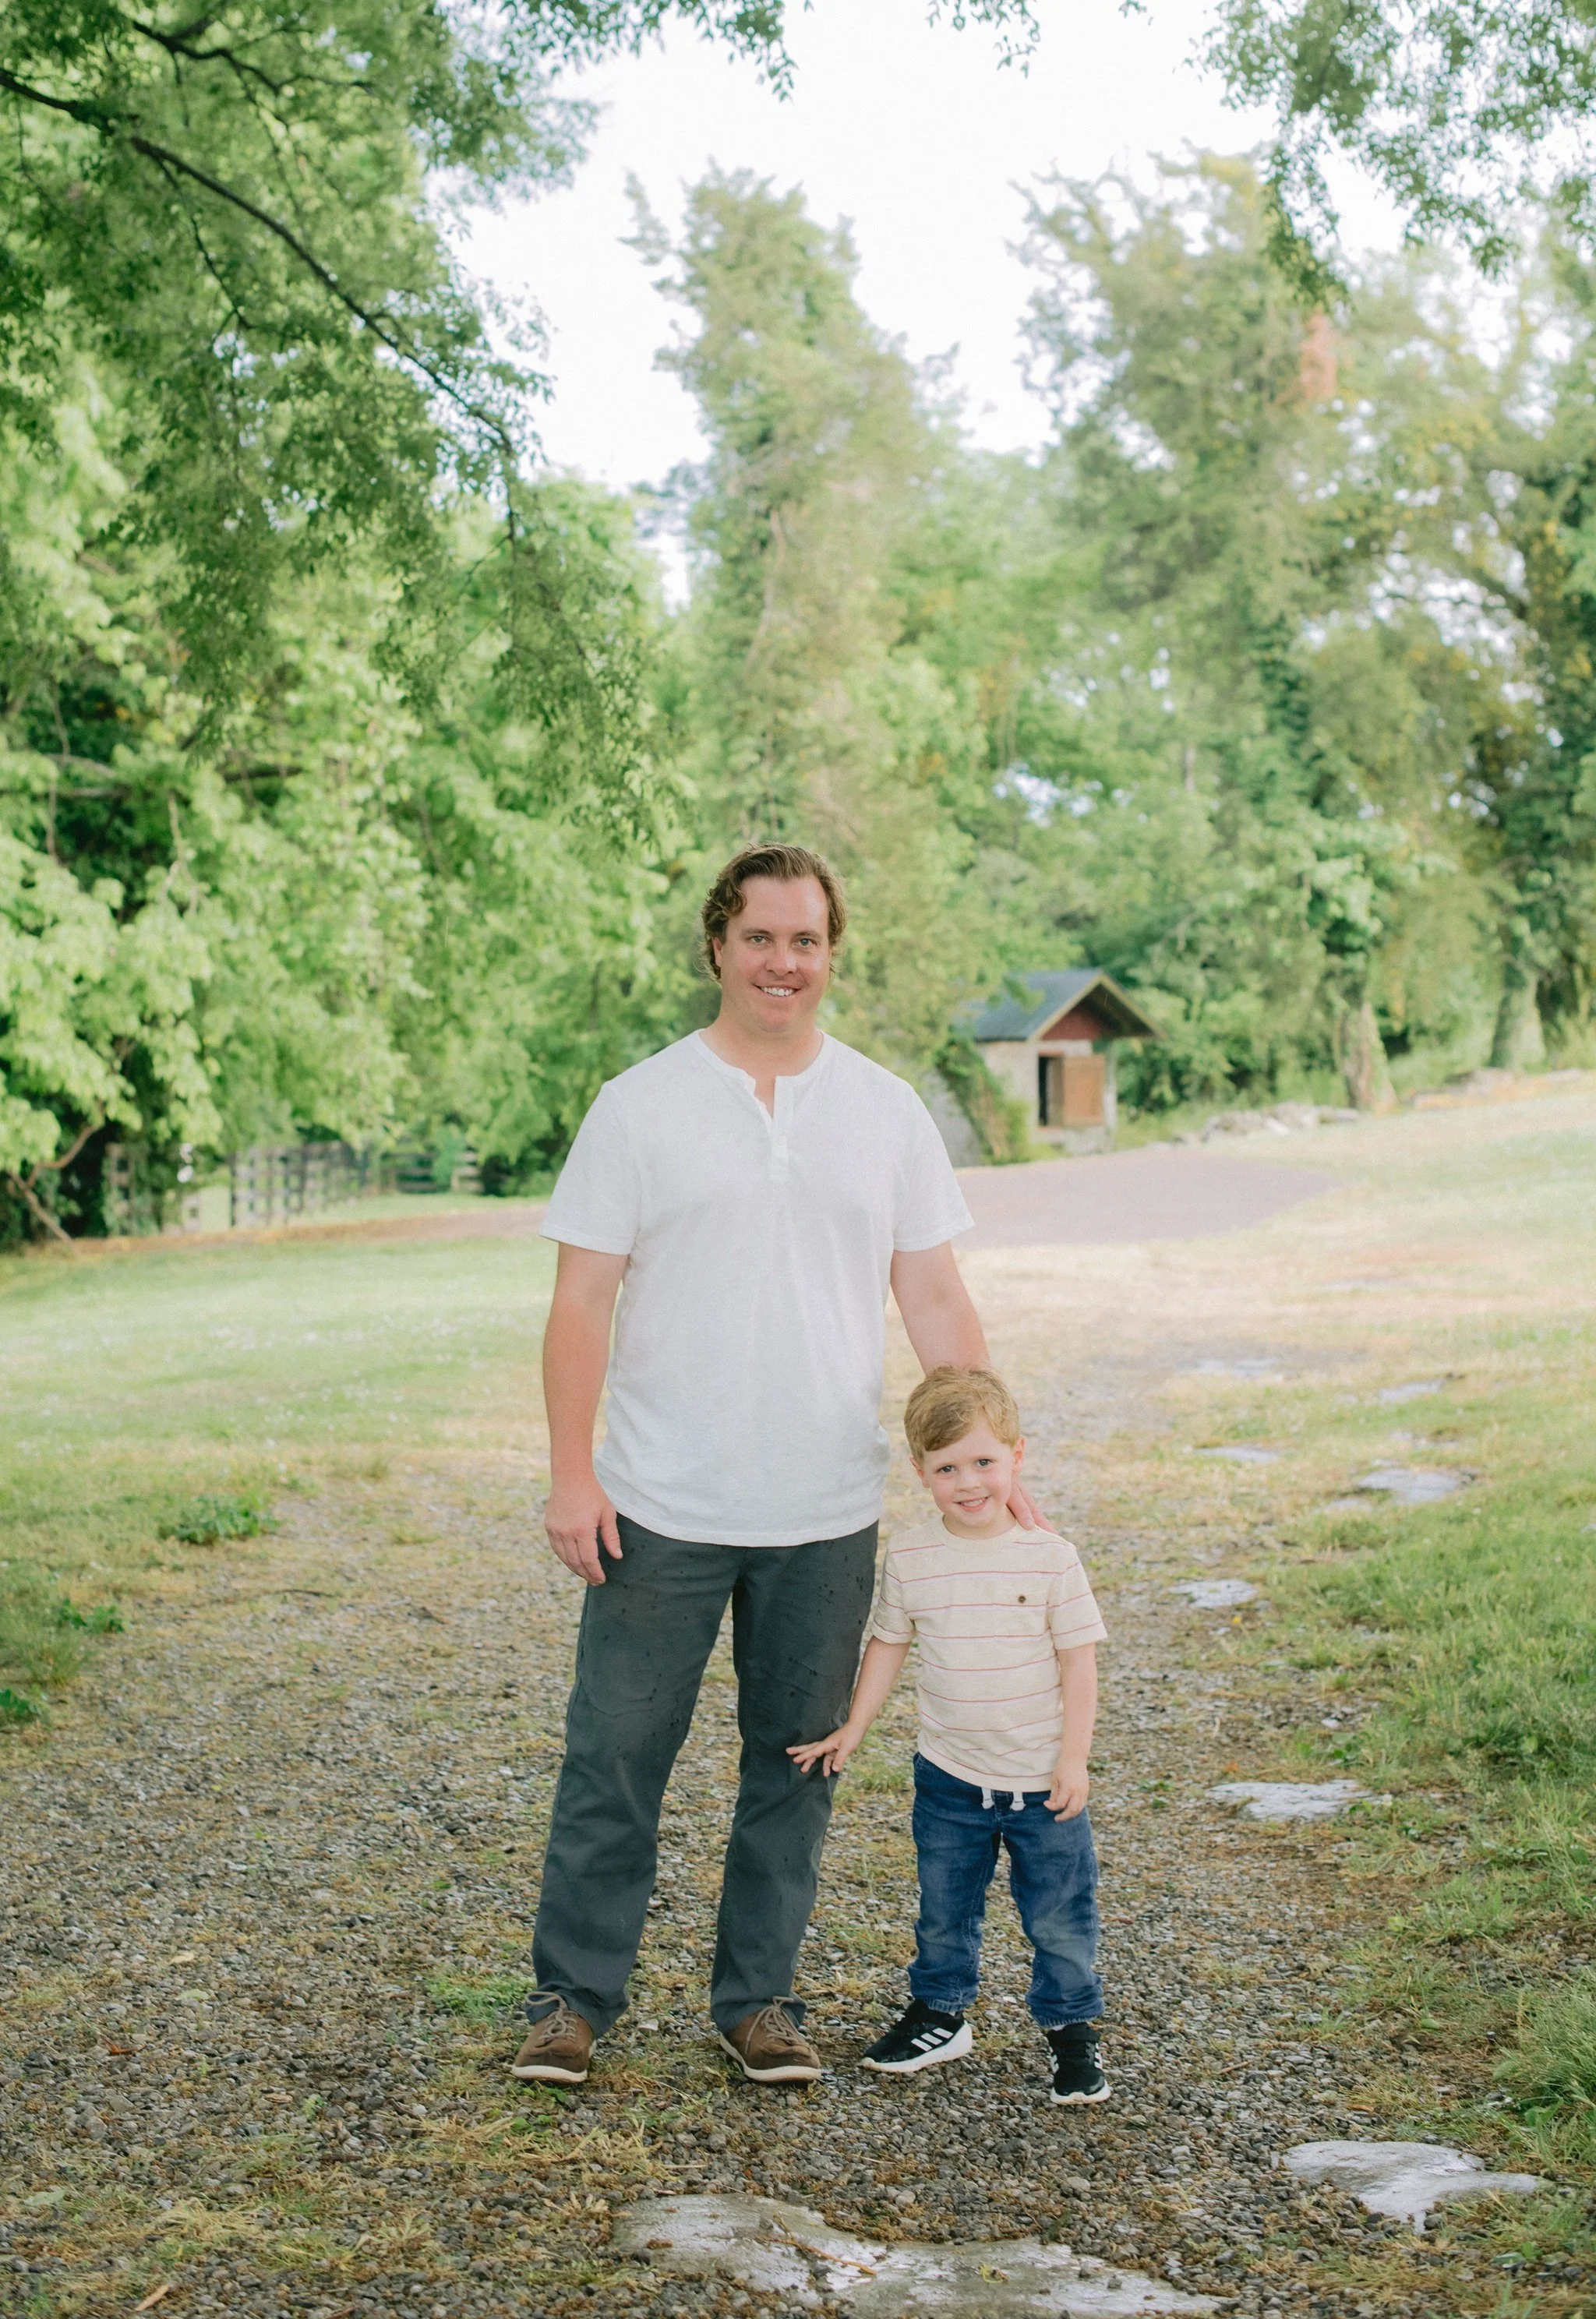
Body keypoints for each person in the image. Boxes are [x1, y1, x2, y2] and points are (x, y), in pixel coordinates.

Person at [513, 842, 1036, 2089]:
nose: (783, 963)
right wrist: (571, 1475)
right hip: (659, 1505)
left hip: (823, 1508)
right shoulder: (639, 1104)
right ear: (717, 945)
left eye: (806, 941)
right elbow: (582, 1299)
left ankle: (759, 2004)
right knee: (614, 1761)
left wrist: (991, 1458)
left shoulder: (884, 1109)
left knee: (797, 1767)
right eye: (760, 938)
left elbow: (933, 1289)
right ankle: (573, 2001)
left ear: (831, 952)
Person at [789, 1364, 1110, 2105]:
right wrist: (855, 1727)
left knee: (1060, 1917)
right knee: (945, 1908)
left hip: (1041, 1785)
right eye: (947, 1468)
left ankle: (1072, 2037)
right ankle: (940, 2015)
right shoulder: (912, 1557)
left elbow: (1079, 1664)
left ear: (1017, 1457)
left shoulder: (1051, 1558)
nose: (969, 1483)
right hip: (950, 1778)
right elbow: (889, 1645)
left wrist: (1073, 1760)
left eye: (984, 1463)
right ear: (919, 1472)